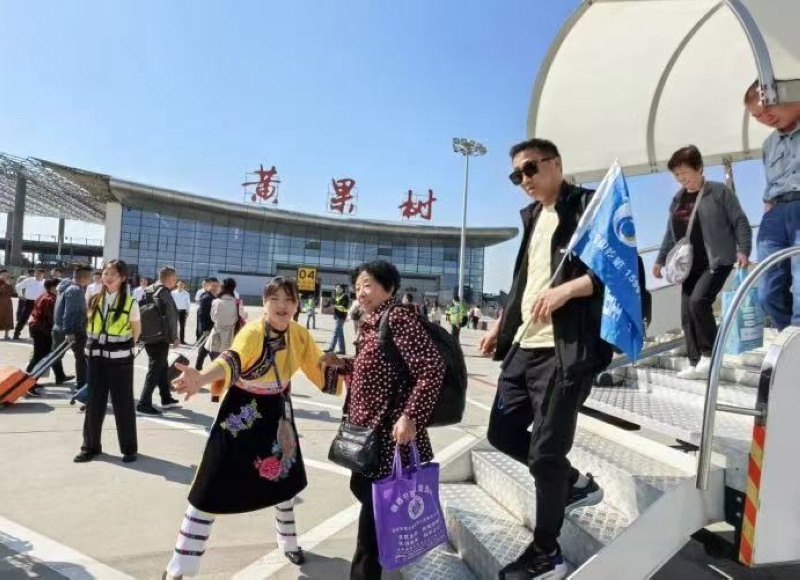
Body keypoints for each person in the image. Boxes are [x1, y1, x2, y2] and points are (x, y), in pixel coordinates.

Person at [478, 138, 612, 579]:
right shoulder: (534, 216)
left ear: (556, 163)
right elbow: (523, 283)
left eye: (531, 169)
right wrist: (501, 324)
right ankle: (573, 483)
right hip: (524, 344)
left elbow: (617, 272)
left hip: (565, 349)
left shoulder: (589, 207)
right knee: (501, 431)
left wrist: (565, 290)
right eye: (517, 175)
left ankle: (545, 553)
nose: (524, 181)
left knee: (545, 454)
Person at [165, 276, 343, 578]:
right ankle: (181, 564)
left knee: (283, 479)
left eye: (289, 300)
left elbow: (321, 370)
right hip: (242, 412)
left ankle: (288, 541)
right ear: (265, 303)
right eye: (276, 300)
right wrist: (201, 378)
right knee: (210, 483)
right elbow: (230, 361)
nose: (283, 306)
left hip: (277, 412)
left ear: (297, 305)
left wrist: (356, 371)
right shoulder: (252, 333)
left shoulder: (299, 335)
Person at [321, 260, 445, 580]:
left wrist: (410, 416)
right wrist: (343, 363)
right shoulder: (371, 321)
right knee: (369, 498)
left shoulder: (398, 318)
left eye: (368, 285)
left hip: (390, 435)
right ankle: (381, 556)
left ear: (389, 288)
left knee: (375, 511)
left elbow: (431, 369)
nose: (361, 292)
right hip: (367, 430)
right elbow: (376, 370)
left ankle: (366, 572)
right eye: (358, 285)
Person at [653, 145, 751, 380]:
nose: (681, 178)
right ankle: (695, 361)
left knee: (699, 302)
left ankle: (711, 356)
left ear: (699, 168)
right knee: (687, 312)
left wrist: (744, 250)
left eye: (684, 172)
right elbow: (670, 233)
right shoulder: (677, 200)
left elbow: (740, 221)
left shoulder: (718, 192)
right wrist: (659, 260)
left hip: (716, 260)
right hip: (688, 266)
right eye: (676, 175)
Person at [744, 81, 800, 331]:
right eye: (757, 116)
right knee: (767, 292)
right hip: (775, 215)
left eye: (768, 108)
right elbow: (769, 185)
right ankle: (789, 340)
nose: (765, 117)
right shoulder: (769, 144)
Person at [74, 260, 141, 464]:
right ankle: (90, 447)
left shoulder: (131, 303)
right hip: (96, 359)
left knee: (123, 404)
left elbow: (136, 332)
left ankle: (129, 448)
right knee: (94, 402)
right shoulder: (94, 299)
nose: (108, 277)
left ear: (122, 278)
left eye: (113, 274)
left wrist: (119, 347)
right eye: (105, 273)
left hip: (121, 361)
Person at [136, 267, 182, 417]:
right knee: (155, 368)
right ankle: (144, 403)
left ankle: (166, 398)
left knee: (161, 366)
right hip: (161, 336)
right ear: (168, 278)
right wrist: (175, 336)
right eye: (174, 278)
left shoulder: (148, 289)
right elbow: (171, 316)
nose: (175, 281)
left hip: (148, 334)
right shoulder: (164, 292)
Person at [25, 279, 72, 396]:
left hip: (38, 328)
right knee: (40, 357)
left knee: (53, 352)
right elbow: (51, 319)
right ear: (52, 288)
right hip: (42, 330)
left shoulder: (44, 296)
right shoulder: (51, 299)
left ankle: (60, 376)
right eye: (59, 287)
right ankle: (27, 383)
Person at [53, 265, 93, 394]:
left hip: (60, 328)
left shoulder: (65, 286)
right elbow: (69, 313)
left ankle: (32, 380)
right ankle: (82, 385)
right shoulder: (75, 290)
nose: (91, 280)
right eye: (90, 277)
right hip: (73, 330)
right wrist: (69, 332)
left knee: (55, 356)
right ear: (84, 277)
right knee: (82, 358)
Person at [207, 278, 246, 361]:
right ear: (234, 288)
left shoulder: (216, 302)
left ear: (222, 287)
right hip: (230, 339)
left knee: (214, 365)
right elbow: (244, 316)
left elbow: (213, 318)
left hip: (216, 339)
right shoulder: (237, 302)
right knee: (227, 367)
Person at [14, 268, 45, 340]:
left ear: (43, 274)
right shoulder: (29, 280)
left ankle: (35, 335)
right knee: (23, 318)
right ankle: (16, 333)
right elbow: (18, 286)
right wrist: (20, 295)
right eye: (36, 273)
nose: (37, 275)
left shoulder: (45, 282)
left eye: (40, 273)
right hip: (29, 302)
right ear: (34, 273)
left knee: (38, 320)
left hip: (39, 303)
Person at [195, 277, 219, 370]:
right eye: (213, 285)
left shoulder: (213, 297)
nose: (215, 288)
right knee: (210, 351)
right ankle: (200, 370)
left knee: (204, 351)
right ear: (208, 286)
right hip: (207, 330)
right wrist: (205, 329)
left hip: (211, 329)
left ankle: (198, 369)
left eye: (216, 286)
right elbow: (201, 314)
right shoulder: (206, 297)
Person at [326, 284, 350, 354]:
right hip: (338, 316)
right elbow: (333, 304)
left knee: (336, 332)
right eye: (336, 288)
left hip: (341, 317)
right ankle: (342, 350)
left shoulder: (345, 296)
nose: (336, 289)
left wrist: (335, 306)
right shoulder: (337, 296)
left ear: (342, 289)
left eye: (338, 288)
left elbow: (344, 307)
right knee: (340, 334)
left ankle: (331, 348)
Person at [172, 280, 191, 344]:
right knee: (174, 326)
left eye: (182, 284)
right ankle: (173, 339)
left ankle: (182, 340)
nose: (181, 285)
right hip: (174, 311)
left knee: (182, 326)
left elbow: (188, 303)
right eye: (179, 284)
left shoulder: (186, 293)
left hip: (182, 311)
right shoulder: (173, 293)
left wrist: (187, 312)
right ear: (177, 284)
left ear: (184, 285)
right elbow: (171, 303)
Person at [0, 270, 13, 340]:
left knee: (8, 319)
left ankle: (6, 334)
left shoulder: (8, 282)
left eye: (6, 275)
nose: (5, 276)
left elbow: (11, 292)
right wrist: (6, 284)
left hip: (7, 303)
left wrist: (9, 284)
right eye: (3, 274)